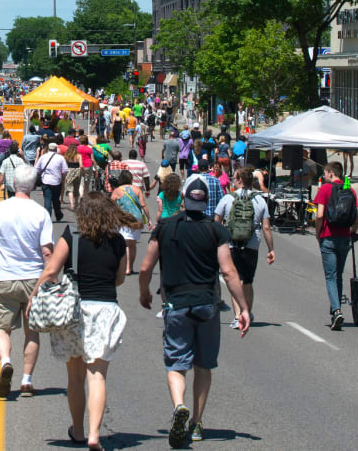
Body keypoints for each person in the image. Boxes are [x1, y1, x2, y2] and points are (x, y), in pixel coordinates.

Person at [138, 177, 250, 448]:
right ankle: (197, 423)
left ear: (185, 200)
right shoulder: (215, 230)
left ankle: (179, 405)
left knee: (176, 362)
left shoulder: (165, 227)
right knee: (203, 364)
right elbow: (228, 271)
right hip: (207, 304)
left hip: (175, 303)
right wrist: (243, 308)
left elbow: (145, 267)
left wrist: (144, 291)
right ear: (206, 202)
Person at [35, 192, 134, 450]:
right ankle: (94, 435)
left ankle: (77, 431)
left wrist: (35, 295)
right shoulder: (118, 241)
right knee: (97, 375)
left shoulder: (72, 236)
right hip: (105, 308)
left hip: (74, 310)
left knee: (75, 376)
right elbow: (120, 278)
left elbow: (52, 269)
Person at [0, 165, 53, 399]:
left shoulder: (0, 208)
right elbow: (47, 252)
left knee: (2, 328)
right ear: (33, 186)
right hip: (33, 277)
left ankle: (5, 362)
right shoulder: (41, 212)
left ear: (13, 184)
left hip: (5, 276)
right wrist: (50, 278)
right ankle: (26, 380)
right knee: (32, 331)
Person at [214, 167, 275, 328]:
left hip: (232, 243)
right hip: (252, 243)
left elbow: (216, 222)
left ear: (240, 180)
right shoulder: (259, 200)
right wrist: (271, 249)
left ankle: (237, 315)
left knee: (234, 280)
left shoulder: (228, 198)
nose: (233, 181)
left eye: (234, 178)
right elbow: (266, 227)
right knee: (247, 281)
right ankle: (247, 311)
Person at [313, 161, 358, 330]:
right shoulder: (350, 190)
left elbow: (319, 215)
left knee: (330, 276)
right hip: (344, 237)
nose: (324, 177)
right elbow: (356, 220)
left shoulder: (325, 189)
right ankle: (335, 310)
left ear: (331, 173)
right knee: (338, 275)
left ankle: (337, 310)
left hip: (328, 236)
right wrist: (351, 232)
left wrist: (318, 233)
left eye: (325, 174)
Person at [111, 170, 151, 276]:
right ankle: (130, 267)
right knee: (132, 245)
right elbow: (143, 205)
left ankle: (124, 267)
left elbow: (111, 205)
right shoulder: (137, 189)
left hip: (123, 219)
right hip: (136, 219)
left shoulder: (117, 190)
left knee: (123, 244)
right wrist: (149, 219)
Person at [35, 142, 69, 222]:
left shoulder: (43, 157)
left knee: (47, 199)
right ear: (56, 149)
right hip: (57, 181)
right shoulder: (60, 158)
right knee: (56, 199)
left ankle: (47, 217)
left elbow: (37, 169)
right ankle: (58, 214)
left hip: (45, 180)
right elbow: (65, 170)